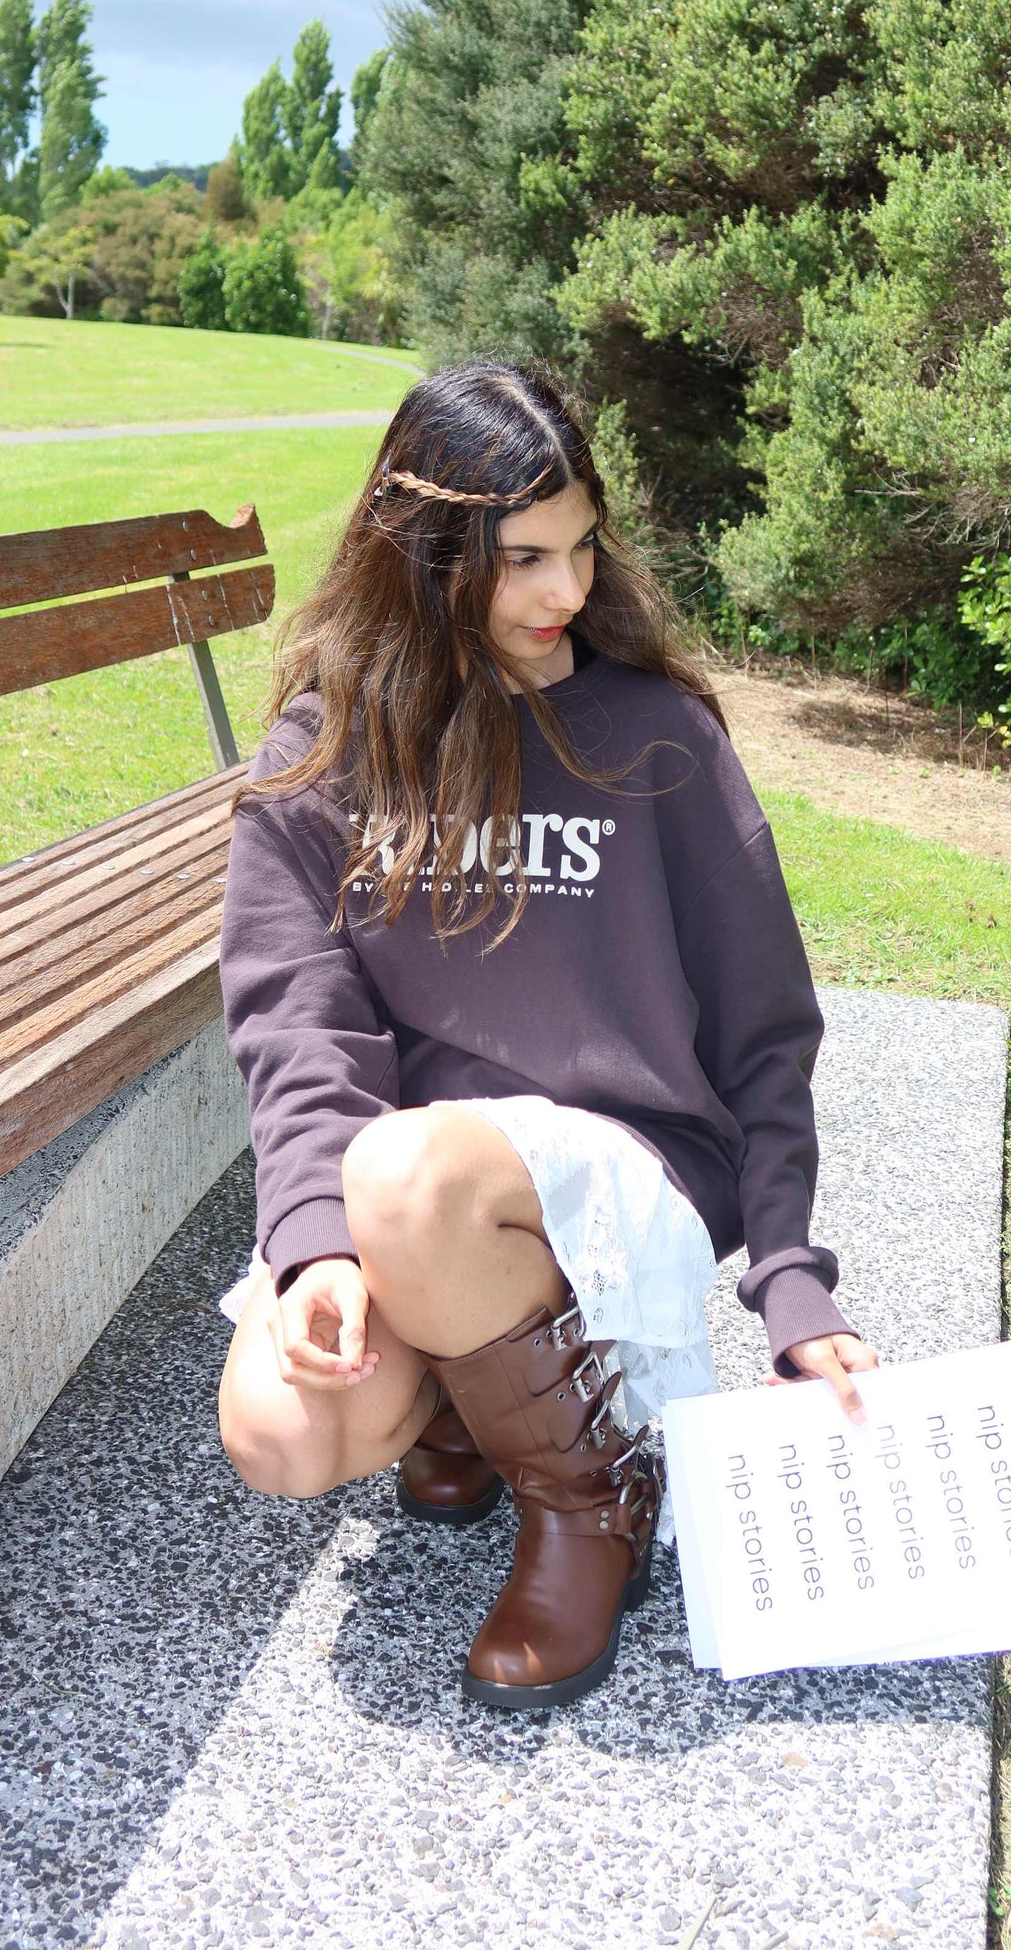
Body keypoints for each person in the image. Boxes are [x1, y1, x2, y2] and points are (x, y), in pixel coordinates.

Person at [216, 360, 877, 1711]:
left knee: (405, 1171)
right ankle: (478, 1393)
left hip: (628, 1167)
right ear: (424, 551)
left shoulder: (657, 735)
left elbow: (766, 1025)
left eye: (580, 548)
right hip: (422, 1201)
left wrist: (791, 1281)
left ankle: (590, 1501)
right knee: (283, 1431)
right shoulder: (326, 751)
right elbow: (298, 1028)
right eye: (523, 558)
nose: (566, 590)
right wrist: (316, 1250)